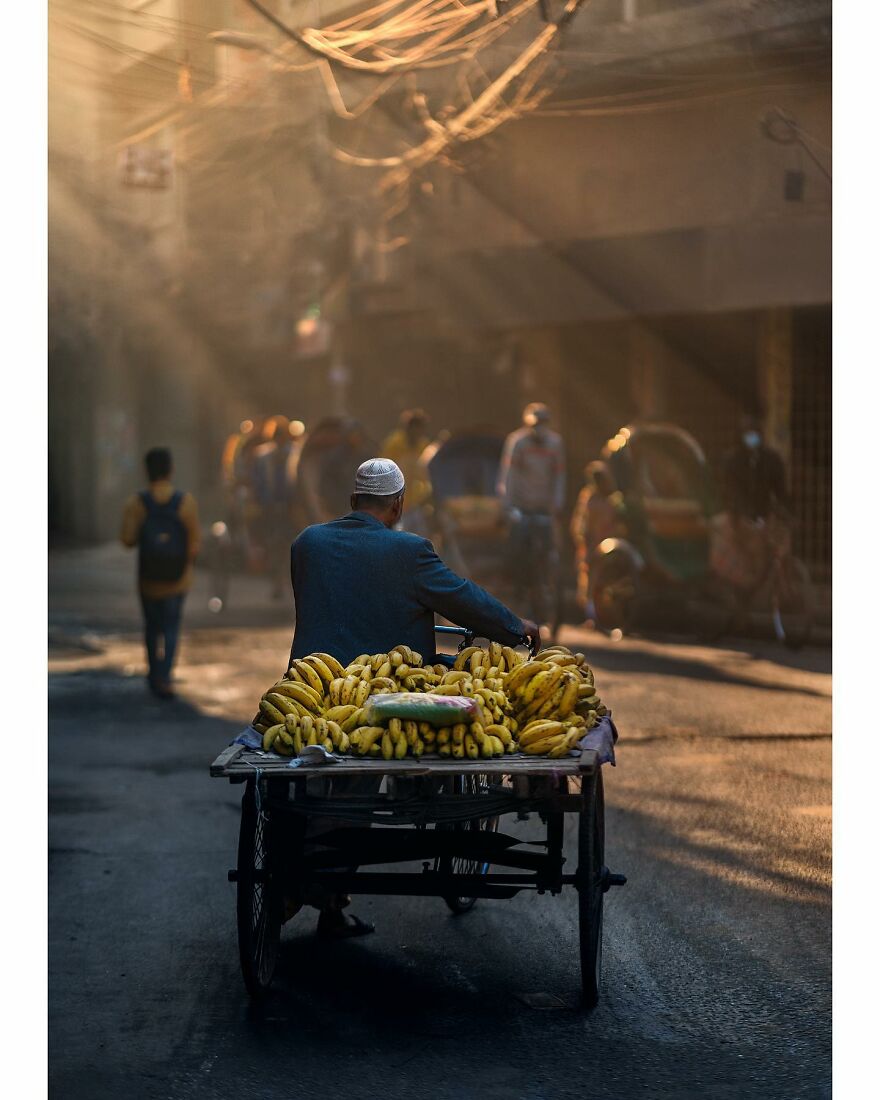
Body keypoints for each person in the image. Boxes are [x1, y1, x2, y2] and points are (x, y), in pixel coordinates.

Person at [286, 458, 539, 937]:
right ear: (398, 504)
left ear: (353, 500)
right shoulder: (409, 551)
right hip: (382, 701)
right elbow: (462, 597)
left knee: (310, 784)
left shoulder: (307, 544)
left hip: (308, 691)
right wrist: (513, 626)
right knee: (359, 782)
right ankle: (325, 883)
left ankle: (323, 894)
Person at [120, 447, 200, 698]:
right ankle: (165, 676)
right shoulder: (185, 502)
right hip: (178, 580)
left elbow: (127, 539)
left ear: (146, 471)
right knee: (172, 627)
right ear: (171, 469)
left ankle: (154, 675)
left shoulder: (137, 503)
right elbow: (195, 543)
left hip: (148, 580)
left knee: (152, 627)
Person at [497, 402, 566, 630]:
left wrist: (556, 506)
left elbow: (559, 479)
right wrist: (509, 506)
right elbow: (509, 476)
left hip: (544, 511)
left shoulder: (555, 444)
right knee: (517, 550)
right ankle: (516, 587)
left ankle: (545, 592)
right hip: (521, 509)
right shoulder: (517, 441)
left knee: (548, 554)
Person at [570, 461, 626, 616]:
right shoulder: (589, 497)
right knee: (589, 577)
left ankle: (600, 613)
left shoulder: (613, 499)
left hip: (607, 543)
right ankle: (592, 614)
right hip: (591, 542)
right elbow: (582, 522)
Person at [380, 410, 433, 512]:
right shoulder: (394, 443)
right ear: (408, 427)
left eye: (421, 428)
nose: (418, 431)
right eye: (415, 427)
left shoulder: (424, 445)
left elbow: (426, 472)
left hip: (417, 498)